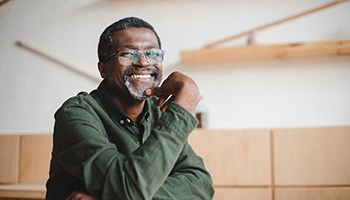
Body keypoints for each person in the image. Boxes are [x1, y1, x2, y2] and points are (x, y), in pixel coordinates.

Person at [45, 17, 214, 200]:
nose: (143, 62)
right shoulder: (76, 113)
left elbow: (201, 185)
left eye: (152, 54)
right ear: (103, 69)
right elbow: (129, 189)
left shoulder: (157, 111)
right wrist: (182, 107)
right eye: (128, 54)